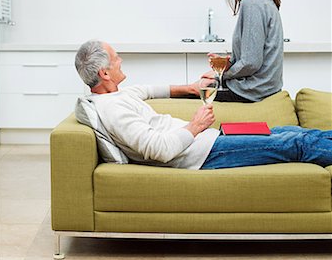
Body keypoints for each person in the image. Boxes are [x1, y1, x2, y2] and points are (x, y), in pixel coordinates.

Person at [74, 39, 332, 170]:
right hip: (203, 153)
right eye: (115, 58)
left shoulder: (117, 95)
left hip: (207, 140)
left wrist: (189, 88)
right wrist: (195, 126)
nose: (120, 60)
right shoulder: (113, 109)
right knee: (296, 144)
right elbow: (159, 149)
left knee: (295, 132)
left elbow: (151, 90)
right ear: (104, 74)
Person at [205, 0, 283, 103]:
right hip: (263, 88)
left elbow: (250, 63)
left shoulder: (252, 2)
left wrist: (220, 75)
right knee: (199, 85)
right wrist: (229, 63)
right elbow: (252, 55)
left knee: (195, 89)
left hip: (252, 91)